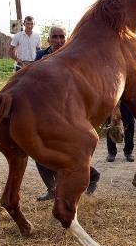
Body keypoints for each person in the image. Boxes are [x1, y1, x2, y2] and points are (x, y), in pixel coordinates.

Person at [33, 26, 100, 201]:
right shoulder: (40, 56)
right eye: (54, 37)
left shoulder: (73, 57)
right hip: (44, 111)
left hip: (67, 113)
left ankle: (92, 176)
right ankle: (51, 188)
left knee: (68, 154)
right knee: (38, 152)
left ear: (67, 39)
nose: (58, 40)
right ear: (48, 40)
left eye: (62, 36)